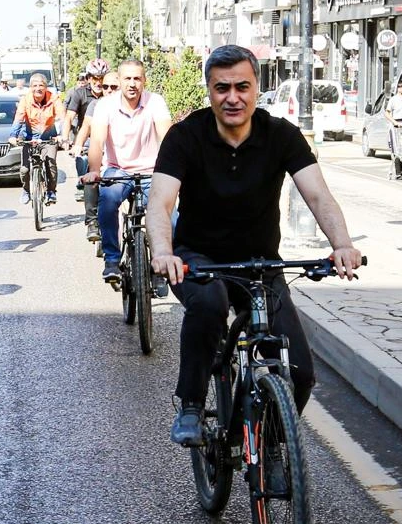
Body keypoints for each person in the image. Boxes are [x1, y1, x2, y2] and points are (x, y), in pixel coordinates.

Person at [148, 44, 362, 446]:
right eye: (222, 88)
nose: (233, 98)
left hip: (260, 263)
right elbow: (160, 202)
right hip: (199, 260)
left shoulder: (281, 135)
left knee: (299, 372)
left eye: (242, 86)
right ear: (209, 91)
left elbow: (318, 195)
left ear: (257, 88)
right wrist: (164, 253)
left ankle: (266, 448)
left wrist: (343, 245)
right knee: (209, 305)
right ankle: (192, 405)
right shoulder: (185, 136)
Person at [82, 59, 173, 284]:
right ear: (119, 81)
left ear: (144, 81)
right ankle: (112, 260)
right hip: (118, 170)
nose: (132, 83)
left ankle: (161, 261)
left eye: (137, 78)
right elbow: (97, 142)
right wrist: (94, 171)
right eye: (127, 78)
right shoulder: (105, 105)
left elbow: (168, 139)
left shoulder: (156, 102)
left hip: (152, 172)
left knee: (171, 218)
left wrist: (175, 170)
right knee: (108, 201)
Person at [9, 73, 65, 206]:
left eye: (41, 85)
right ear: (30, 87)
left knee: (51, 164)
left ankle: (51, 191)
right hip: (29, 137)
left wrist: (62, 135)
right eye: (34, 85)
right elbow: (19, 118)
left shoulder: (54, 98)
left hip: (48, 137)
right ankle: (26, 191)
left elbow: (62, 117)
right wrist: (13, 135)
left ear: (46, 87)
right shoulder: (25, 100)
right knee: (24, 169)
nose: (38, 88)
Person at [64, 61, 109, 214]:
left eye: (102, 79)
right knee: (83, 159)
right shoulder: (79, 93)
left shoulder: (111, 93)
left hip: (109, 137)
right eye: (95, 79)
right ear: (89, 78)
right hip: (87, 137)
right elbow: (70, 117)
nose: (99, 83)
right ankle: (83, 184)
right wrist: (66, 139)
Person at [384, 77, 402, 180]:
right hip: (396, 124)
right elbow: (387, 113)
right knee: (397, 149)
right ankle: (398, 172)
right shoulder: (393, 100)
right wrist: (395, 122)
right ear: (399, 89)